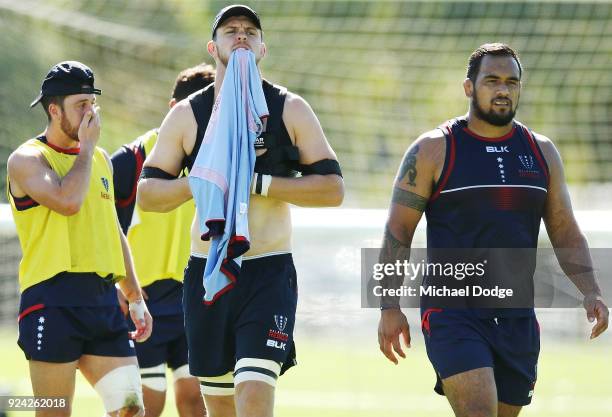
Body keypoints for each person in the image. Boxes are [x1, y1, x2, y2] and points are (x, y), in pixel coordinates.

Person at [377, 43, 609, 417]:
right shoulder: (434, 149)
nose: (503, 90)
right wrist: (389, 305)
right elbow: (398, 231)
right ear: (469, 87)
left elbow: (565, 230)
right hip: (452, 312)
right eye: (492, 81)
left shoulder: (542, 152)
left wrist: (592, 291)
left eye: (511, 82)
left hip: (517, 318)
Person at [137, 4, 344, 417]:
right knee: (221, 408)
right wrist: (203, 181)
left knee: (253, 394)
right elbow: (148, 194)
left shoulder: (289, 109)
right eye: (231, 31)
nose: (242, 36)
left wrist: (255, 182)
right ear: (213, 47)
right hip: (208, 276)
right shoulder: (187, 114)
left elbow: (333, 189)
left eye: (251, 30)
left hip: (268, 272)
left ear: (263, 48)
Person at [6, 61, 153, 417]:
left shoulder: (100, 158)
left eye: (92, 103)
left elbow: (112, 229)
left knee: (130, 409)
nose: (91, 113)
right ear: (54, 110)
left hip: (102, 301)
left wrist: (134, 296)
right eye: (81, 105)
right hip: (52, 301)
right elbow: (68, 202)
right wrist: (86, 149)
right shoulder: (27, 159)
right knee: (54, 412)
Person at [111, 63, 215, 417]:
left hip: (194, 302)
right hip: (143, 302)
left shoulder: (220, 162)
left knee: (194, 401)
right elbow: (103, 227)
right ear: (174, 111)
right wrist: (118, 286)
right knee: (142, 406)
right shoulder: (130, 161)